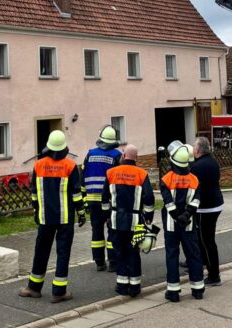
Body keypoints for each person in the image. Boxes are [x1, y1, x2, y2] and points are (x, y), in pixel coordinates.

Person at [19, 130, 86, 303]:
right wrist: (81, 212)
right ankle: (59, 292)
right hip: (65, 218)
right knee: (63, 253)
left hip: (45, 217)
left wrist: (35, 211)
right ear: (64, 147)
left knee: (41, 251)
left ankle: (33, 288)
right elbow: (76, 193)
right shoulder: (70, 166)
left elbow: (34, 193)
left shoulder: (38, 165)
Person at [102, 144, 155, 297]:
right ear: (136, 158)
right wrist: (149, 216)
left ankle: (122, 285)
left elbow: (104, 197)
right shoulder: (141, 174)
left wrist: (106, 215)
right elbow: (149, 198)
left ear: (123, 156)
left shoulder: (111, 172)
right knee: (134, 251)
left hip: (116, 220)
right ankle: (135, 286)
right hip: (136, 221)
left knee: (119, 252)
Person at [160, 142, 204, 302]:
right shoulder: (195, 179)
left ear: (173, 160)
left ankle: (173, 292)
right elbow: (196, 201)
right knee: (193, 254)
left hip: (172, 225)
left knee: (172, 256)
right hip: (189, 224)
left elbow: (167, 202)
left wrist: (176, 216)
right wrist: (186, 215)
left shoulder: (166, 179)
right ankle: (198, 289)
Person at [81, 125, 123, 272]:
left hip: (92, 199)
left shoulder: (90, 154)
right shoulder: (117, 155)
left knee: (96, 230)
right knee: (112, 229)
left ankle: (99, 262)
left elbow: (83, 175)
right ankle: (113, 262)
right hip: (110, 200)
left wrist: (84, 198)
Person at [191, 136, 224, 287]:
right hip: (215, 204)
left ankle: (214, 275)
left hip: (206, 208)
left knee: (207, 240)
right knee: (203, 238)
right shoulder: (212, 161)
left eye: (193, 146)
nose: (192, 148)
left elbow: (195, 188)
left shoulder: (198, 167)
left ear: (197, 150)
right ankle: (204, 263)